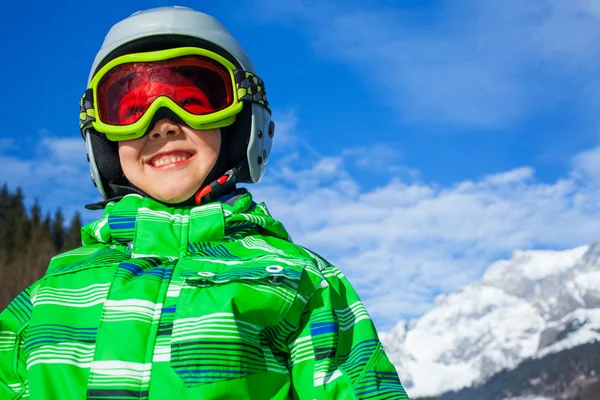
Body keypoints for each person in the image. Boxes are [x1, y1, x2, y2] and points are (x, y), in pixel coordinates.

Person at [0, 6, 410, 400]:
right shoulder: (49, 296)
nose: (161, 123)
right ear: (102, 139)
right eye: (131, 110)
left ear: (241, 120)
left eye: (193, 103)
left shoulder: (298, 281)